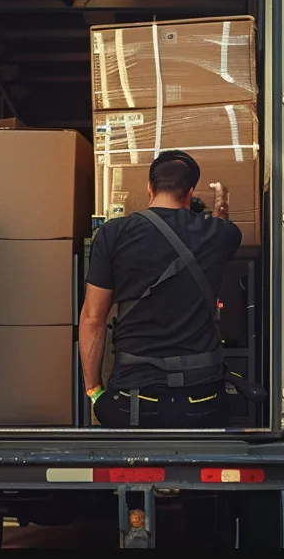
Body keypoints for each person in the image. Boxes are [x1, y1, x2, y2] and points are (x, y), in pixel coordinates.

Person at [78, 150, 245, 428]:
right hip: (203, 401)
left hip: (132, 401)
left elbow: (92, 318)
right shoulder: (220, 234)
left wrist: (94, 391)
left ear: (149, 187)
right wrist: (221, 204)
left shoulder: (113, 233)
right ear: (190, 192)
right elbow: (222, 223)